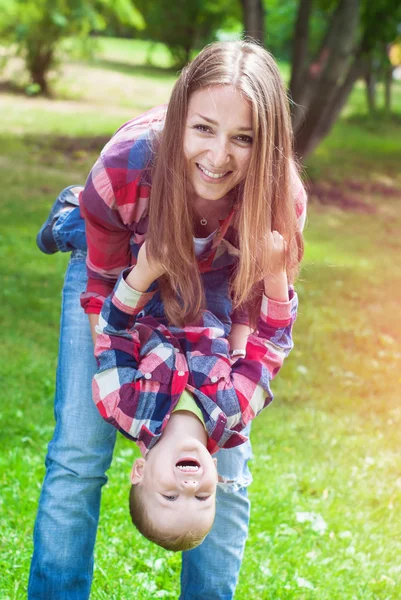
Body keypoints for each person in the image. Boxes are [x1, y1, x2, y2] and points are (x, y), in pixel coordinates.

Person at [29, 40, 306, 599]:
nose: (219, 155)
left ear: (268, 142)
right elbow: (271, 341)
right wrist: (257, 303)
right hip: (125, 256)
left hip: (155, 284)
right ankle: (72, 219)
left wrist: (147, 280)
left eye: (244, 137)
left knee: (229, 473)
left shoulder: (129, 402)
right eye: (203, 128)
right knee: (80, 454)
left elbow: (116, 330)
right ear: (179, 117)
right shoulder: (128, 162)